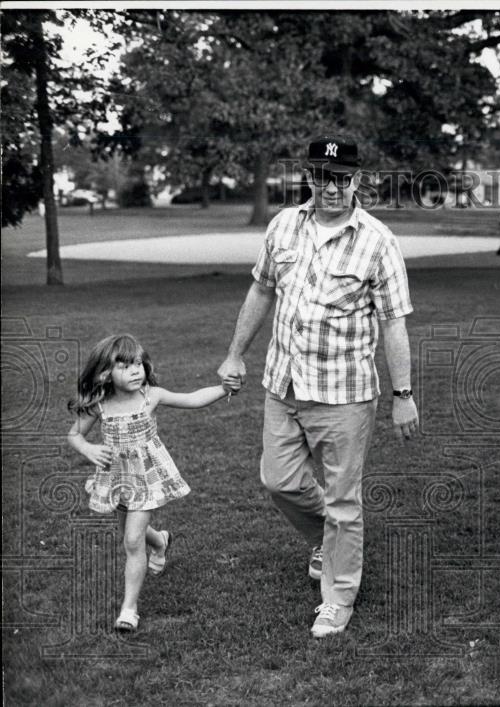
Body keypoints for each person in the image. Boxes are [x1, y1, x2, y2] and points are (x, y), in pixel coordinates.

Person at [217, 135, 419, 638]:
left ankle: (338, 598)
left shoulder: (378, 241)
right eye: (324, 177)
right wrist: (235, 352)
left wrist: (404, 395)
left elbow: (394, 322)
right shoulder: (284, 224)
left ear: (357, 180)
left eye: (343, 178)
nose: (333, 187)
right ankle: (327, 542)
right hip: (282, 384)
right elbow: (262, 288)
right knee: (278, 481)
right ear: (309, 176)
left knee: (343, 501)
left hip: (344, 394)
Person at [67, 334, 234, 632]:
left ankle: (128, 610)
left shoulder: (150, 396)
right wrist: (90, 449)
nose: (135, 370)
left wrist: (224, 389)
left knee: (131, 540)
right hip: (117, 476)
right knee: (133, 533)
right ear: (105, 372)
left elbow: (192, 399)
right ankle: (160, 542)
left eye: (138, 364)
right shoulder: (100, 406)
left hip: (146, 476)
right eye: (125, 366)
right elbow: (74, 435)